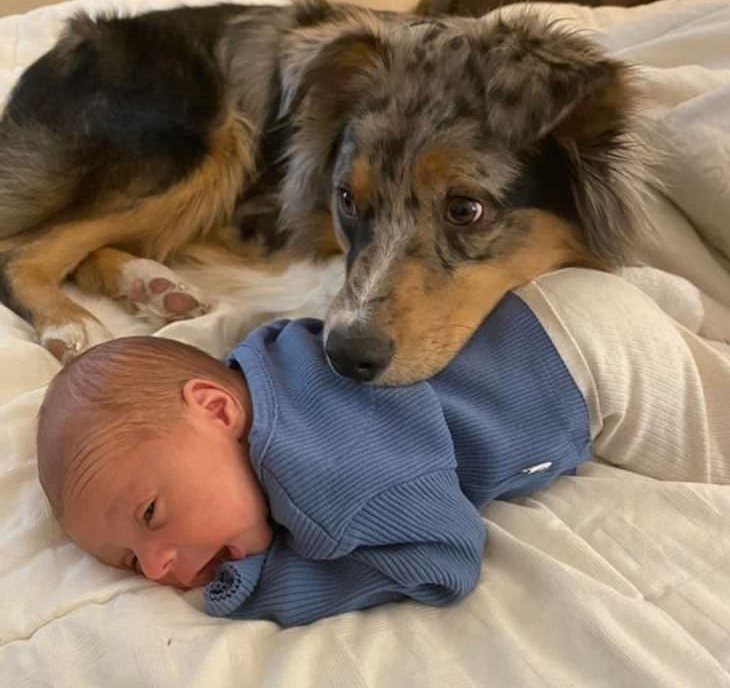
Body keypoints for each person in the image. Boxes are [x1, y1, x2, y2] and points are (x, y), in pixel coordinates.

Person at [35, 268, 730, 627]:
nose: (157, 567)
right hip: (545, 301)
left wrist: (264, 585)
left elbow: (443, 558)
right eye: (128, 559)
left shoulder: (326, 485)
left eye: (152, 513)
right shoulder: (259, 365)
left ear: (217, 409)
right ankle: (687, 308)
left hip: (597, 363)